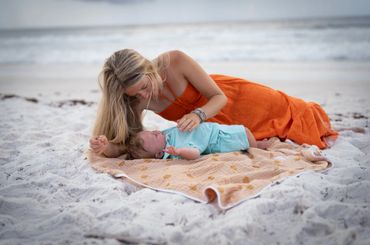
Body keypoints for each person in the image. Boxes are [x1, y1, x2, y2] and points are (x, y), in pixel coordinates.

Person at [91, 49, 338, 157]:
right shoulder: (136, 99)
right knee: (268, 138)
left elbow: (219, 97)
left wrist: (198, 115)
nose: (143, 96)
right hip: (218, 128)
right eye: (136, 94)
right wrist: (107, 147)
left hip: (236, 99)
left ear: (148, 67)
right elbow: (130, 143)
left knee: (297, 115)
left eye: (144, 87)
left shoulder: (174, 61)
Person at [90, 122, 260, 160]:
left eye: (153, 132)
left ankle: (258, 144)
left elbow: (127, 147)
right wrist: (179, 152)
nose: (157, 132)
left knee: (246, 130)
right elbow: (194, 154)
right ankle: (258, 147)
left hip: (215, 129)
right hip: (219, 139)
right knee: (245, 132)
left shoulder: (164, 137)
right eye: (154, 136)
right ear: (159, 153)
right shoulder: (175, 147)